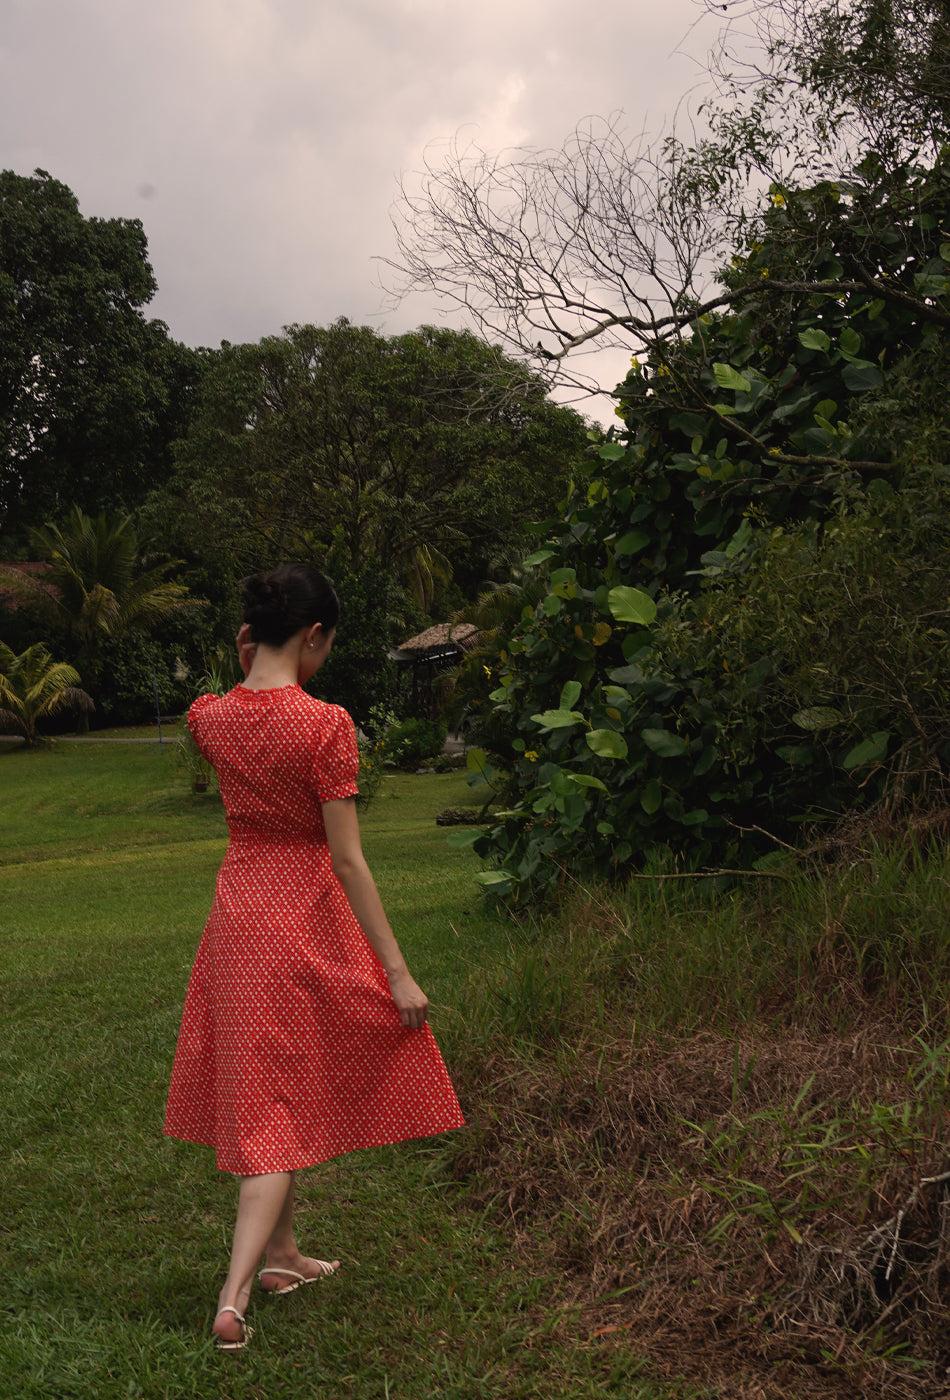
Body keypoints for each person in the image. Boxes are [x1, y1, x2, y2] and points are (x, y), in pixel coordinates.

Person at [164, 563, 464, 1352]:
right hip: (300, 923)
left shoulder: (207, 718)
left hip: (236, 920)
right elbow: (348, 861)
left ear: (249, 635)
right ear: (314, 635)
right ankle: (233, 1297)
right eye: (326, 643)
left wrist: (252, 665)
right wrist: (396, 970)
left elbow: (239, 703)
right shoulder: (325, 725)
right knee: (277, 1110)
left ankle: (284, 1257)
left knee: (272, 1089)